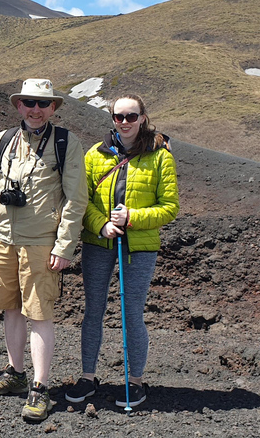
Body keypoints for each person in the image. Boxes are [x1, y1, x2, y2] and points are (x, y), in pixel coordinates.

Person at [0, 79, 88, 422]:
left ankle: (40, 388)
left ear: (53, 107)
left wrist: (64, 245)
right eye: (29, 102)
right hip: (2, 238)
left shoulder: (66, 143)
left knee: (39, 313)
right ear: (19, 106)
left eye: (43, 103)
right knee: (10, 308)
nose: (35, 109)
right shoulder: (4, 140)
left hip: (41, 242)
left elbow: (76, 199)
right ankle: (15, 373)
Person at [64, 94, 179, 409]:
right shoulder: (94, 155)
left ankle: (135, 381)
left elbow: (170, 207)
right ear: (111, 118)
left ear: (143, 117)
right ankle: (88, 376)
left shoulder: (160, 156)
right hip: (99, 242)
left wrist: (132, 218)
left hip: (139, 247)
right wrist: (101, 225)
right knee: (93, 311)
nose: (125, 122)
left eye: (131, 116)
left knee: (132, 313)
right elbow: (80, 201)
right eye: (119, 116)